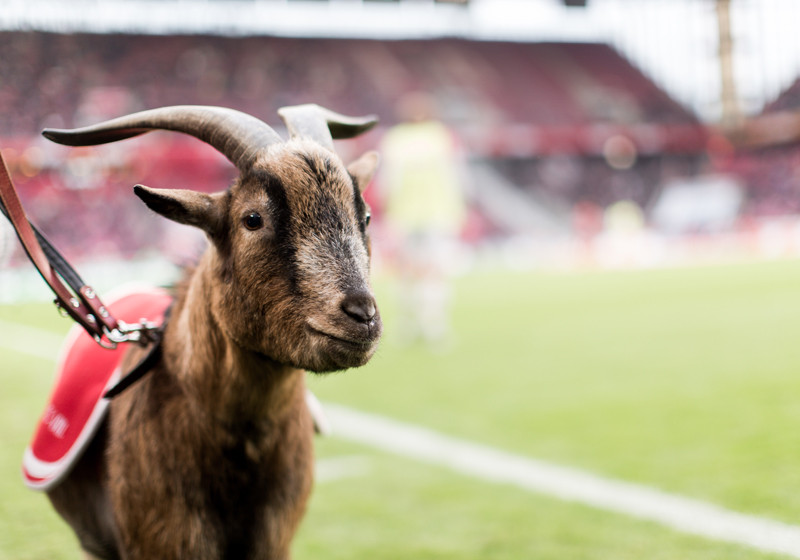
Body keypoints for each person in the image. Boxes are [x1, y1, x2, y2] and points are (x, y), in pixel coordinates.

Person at [379, 92, 467, 347]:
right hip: (408, 215)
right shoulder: (399, 138)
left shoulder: (439, 136)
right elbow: (389, 179)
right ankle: (412, 324)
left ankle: (432, 325)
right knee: (410, 272)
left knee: (431, 271)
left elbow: (454, 174)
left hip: (435, 214)